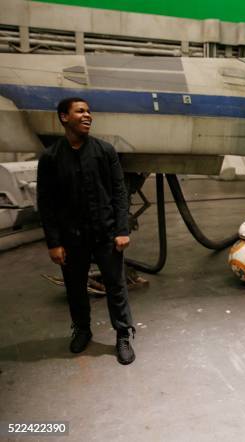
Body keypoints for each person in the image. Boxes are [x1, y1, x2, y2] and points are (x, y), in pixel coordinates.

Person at [37, 97, 136, 365]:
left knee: (116, 286)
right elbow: (46, 203)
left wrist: (121, 229)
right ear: (64, 117)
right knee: (75, 287)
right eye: (80, 111)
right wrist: (53, 242)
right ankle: (82, 329)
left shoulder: (105, 152)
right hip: (72, 239)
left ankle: (123, 334)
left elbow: (119, 192)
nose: (87, 115)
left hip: (106, 234)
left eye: (89, 111)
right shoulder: (50, 158)